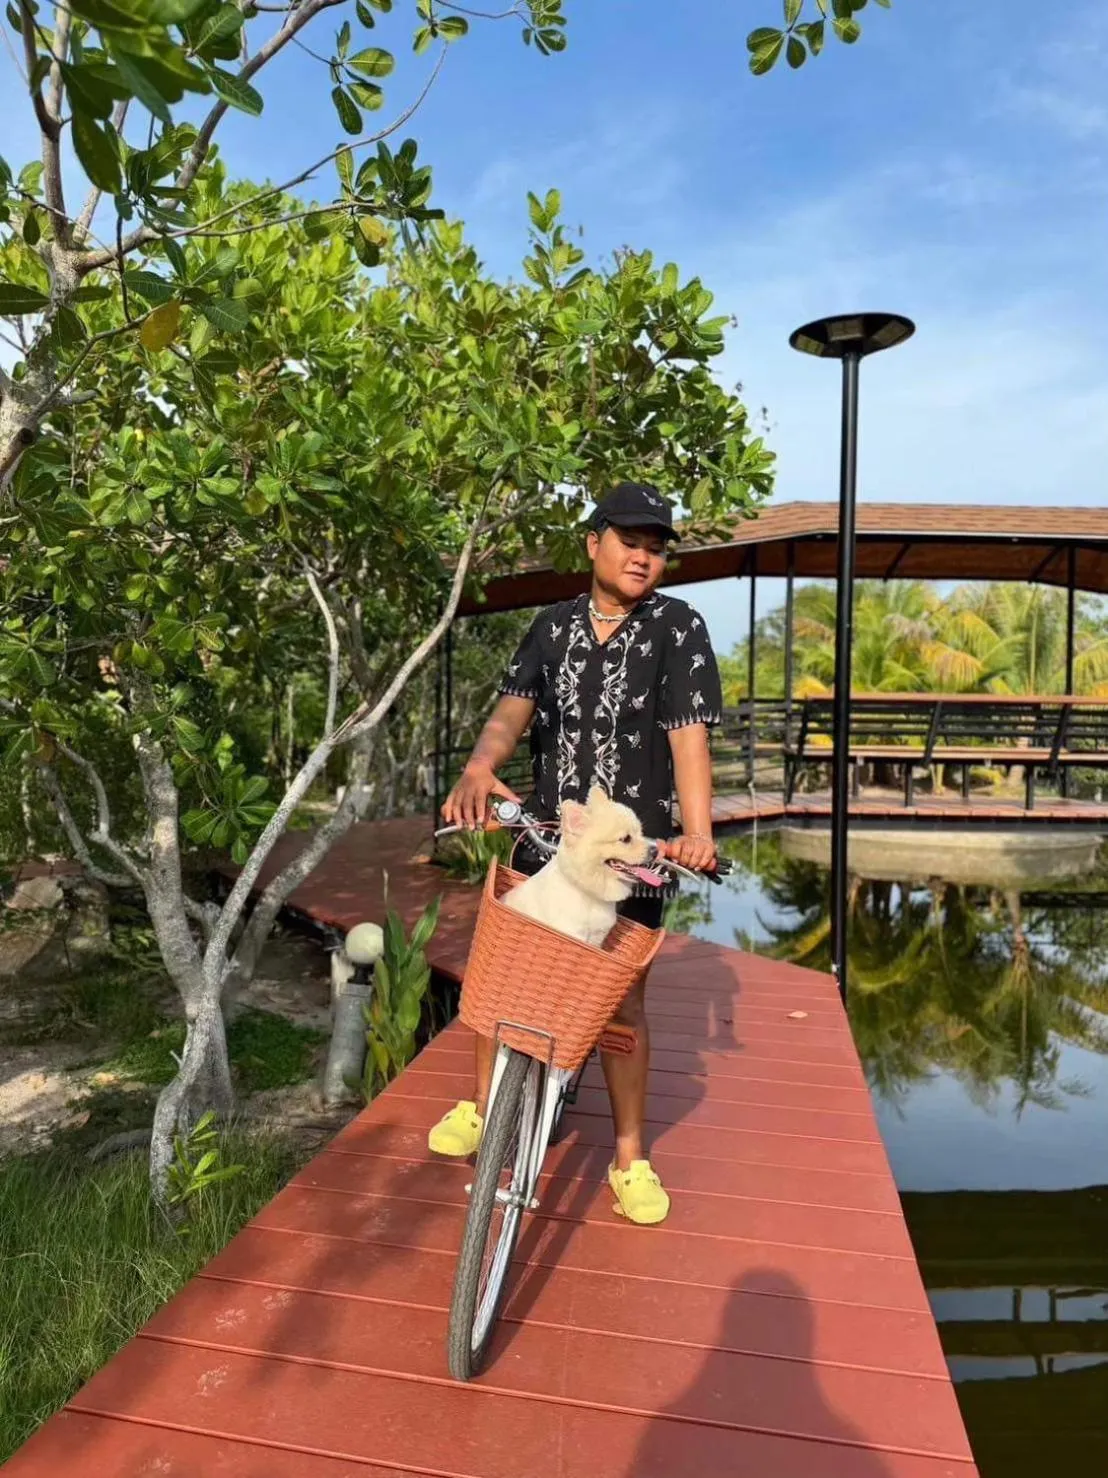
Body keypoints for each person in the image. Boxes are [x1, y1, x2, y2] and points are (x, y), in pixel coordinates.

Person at [429, 481, 722, 1225]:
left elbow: (689, 736)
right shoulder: (551, 627)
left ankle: (630, 1160)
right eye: (630, 542)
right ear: (593, 544)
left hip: (635, 855)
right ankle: (479, 1104)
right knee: (506, 973)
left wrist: (698, 832)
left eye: (657, 548)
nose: (643, 558)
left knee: (623, 998)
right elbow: (511, 711)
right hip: (550, 840)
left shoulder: (677, 628)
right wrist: (478, 766)